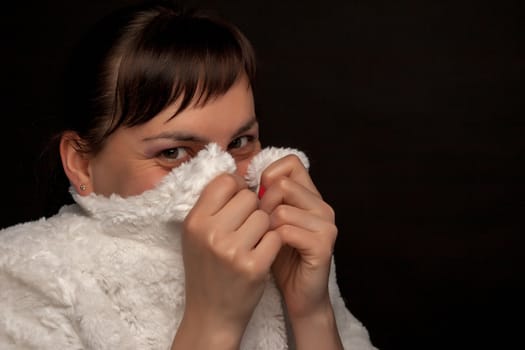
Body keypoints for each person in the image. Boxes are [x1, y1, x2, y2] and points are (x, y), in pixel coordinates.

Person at [0, 1, 377, 349]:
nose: (222, 180)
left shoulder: (283, 250)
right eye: (173, 152)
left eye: (241, 142)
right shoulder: (22, 278)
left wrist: (312, 313)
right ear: (82, 164)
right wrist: (214, 321)